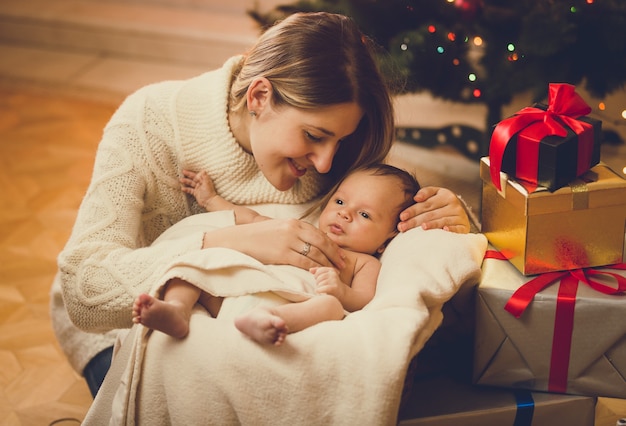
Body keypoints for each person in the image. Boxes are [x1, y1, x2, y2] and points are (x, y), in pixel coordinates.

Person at [50, 11, 471, 397]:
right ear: (259, 97)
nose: (327, 162)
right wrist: (234, 242)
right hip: (127, 322)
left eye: (338, 141)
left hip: (251, 324)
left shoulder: (342, 151)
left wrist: (449, 215)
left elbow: (388, 208)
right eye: (314, 136)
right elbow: (84, 288)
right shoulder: (149, 122)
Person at [132, 164, 420, 344]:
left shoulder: (363, 262)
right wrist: (211, 200)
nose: (344, 213)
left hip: (295, 302)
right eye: (341, 201)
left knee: (331, 308)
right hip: (240, 292)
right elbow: (251, 220)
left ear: (387, 239)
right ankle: (177, 310)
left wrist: (342, 292)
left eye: (365, 214)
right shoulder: (302, 231)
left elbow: (364, 301)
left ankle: (269, 320)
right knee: (199, 260)